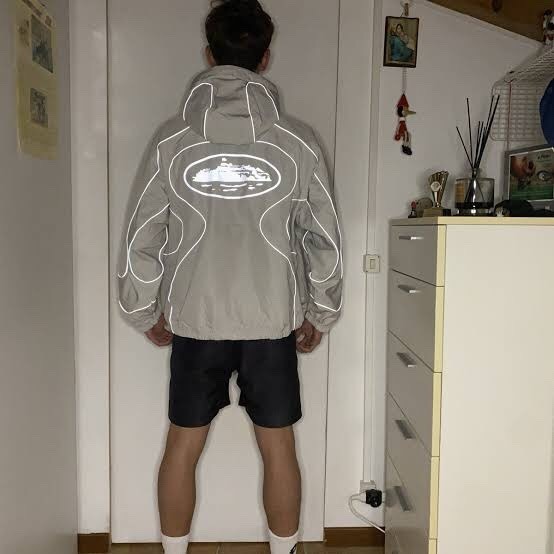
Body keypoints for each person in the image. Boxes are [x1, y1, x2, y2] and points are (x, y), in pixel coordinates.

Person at [117, 1, 343, 553]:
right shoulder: (299, 143)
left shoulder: (171, 142)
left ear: (208, 54)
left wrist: (142, 310)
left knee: (182, 445)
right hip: (271, 323)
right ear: (264, 58)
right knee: (278, 447)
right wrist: (321, 311)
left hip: (196, 322)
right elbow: (325, 239)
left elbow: (142, 235)